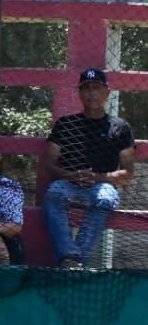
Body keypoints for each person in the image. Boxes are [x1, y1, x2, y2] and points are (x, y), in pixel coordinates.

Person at [41, 68, 136, 269]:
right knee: (53, 193)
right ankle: (69, 255)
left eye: (97, 88)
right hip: (68, 182)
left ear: (107, 93)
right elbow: (49, 163)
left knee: (106, 199)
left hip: (101, 185)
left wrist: (98, 177)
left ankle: (75, 260)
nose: (92, 93)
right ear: (79, 93)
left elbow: (128, 172)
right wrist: (70, 175)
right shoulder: (66, 124)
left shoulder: (119, 127)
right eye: (87, 88)